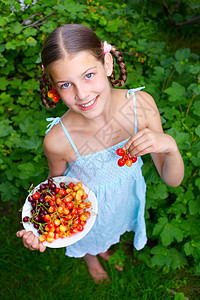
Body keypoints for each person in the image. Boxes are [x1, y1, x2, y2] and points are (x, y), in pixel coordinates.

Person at [16, 24, 184, 283]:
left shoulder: (141, 107)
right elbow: (55, 190)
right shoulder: (58, 141)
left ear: (107, 64)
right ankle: (91, 256)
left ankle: (103, 247)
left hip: (123, 198)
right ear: (54, 87)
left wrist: (170, 145)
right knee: (91, 237)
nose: (82, 94)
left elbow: (172, 179)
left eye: (89, 75)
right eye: (66, 84)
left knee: (111, 228)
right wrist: (38, 227)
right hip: (83, 209)